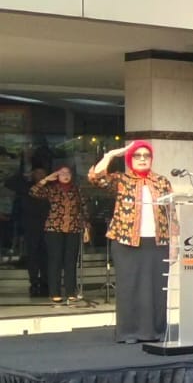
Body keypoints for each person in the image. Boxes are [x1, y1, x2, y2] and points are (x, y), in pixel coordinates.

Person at [89, 140, 173, 343]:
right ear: (130, 159)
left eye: (146, 156)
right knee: (129, 287)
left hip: (158, 242)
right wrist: (110, 155)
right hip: (126, 242)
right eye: (137, 155)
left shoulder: (162, 181)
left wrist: (175, 243)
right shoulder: (121, 180)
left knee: (157, 288)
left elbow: (172, 213)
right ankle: (129, 332)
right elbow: (96, 177)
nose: (142, 159)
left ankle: (156, 331)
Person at [30, 166, 89, 305]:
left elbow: (84, 208)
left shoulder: (77, 189)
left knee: (70, 262)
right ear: (57, 175)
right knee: (55, 261)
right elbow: (33, 192)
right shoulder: (52, 189)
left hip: (73, 228)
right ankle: (55, 292)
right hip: (54, 228)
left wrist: (86, 227)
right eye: (62, 173)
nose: (65, 175)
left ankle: (70, 292)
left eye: (67, 173)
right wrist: (45, 179)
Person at [18, 167, 49, 297]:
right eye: (38, 173)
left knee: (46, 256)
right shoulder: (27, 188)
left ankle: (45, 282)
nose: (41, 175)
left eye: (43, 173)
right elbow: (10, 183)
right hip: (32, 227)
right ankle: (34, 282)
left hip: (48, 227)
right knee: (33, 256)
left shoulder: (51, 189)